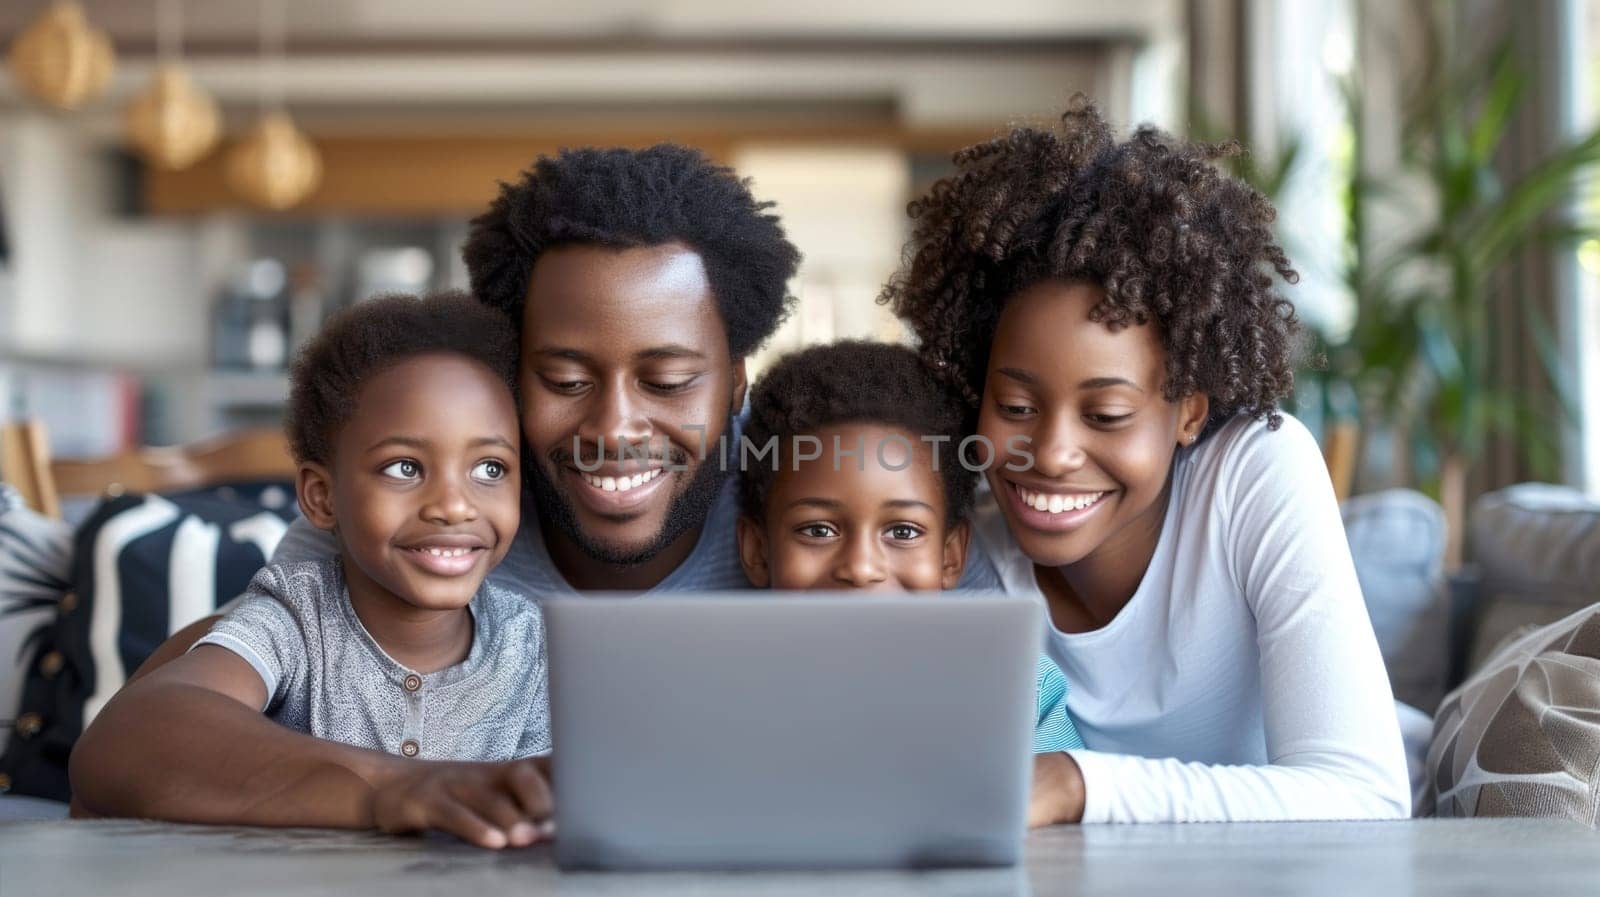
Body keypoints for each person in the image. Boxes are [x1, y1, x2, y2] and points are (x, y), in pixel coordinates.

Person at [70, 145, 806, 847]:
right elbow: (149, 728)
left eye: (669, 382)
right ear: (511, 380)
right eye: (566, 381)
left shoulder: (800, 499)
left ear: (736, 382)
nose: (614, 428)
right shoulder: (387, 535)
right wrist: (418, 787)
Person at [881, 97, 1411, 823]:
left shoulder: (1256, 474)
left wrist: (1077, 782)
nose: (1053, 453)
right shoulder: (960, 554)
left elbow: (1366, 796)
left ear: (1189, 409)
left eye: (1107, 415)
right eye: (1015, 407)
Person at [734, 341, 1084, 790]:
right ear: (758, 552)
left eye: (902, 532)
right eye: (818, 531)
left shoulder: (1016, 685)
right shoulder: (722, 691)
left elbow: (1060, 829)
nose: (861, 568)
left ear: (950, 556)